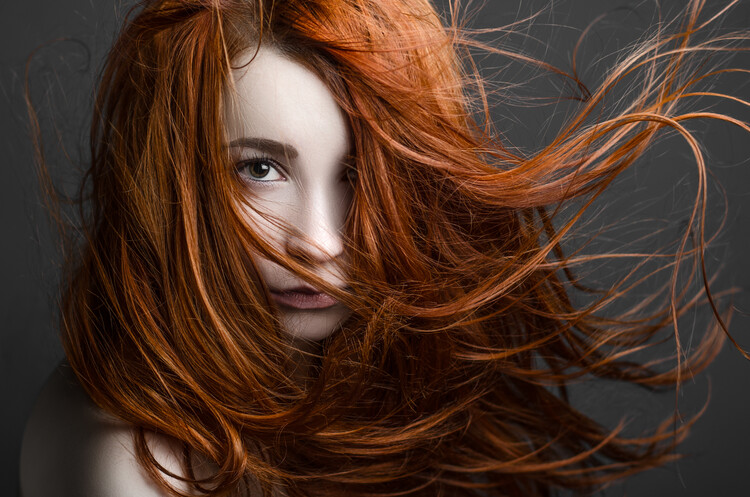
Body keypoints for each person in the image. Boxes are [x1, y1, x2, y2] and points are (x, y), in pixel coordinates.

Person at [18, 0, 749, 496]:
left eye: (359, 176)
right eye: (259, 169)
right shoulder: (127, 457)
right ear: (170, 174)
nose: (323, 241)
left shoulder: (367, 381)